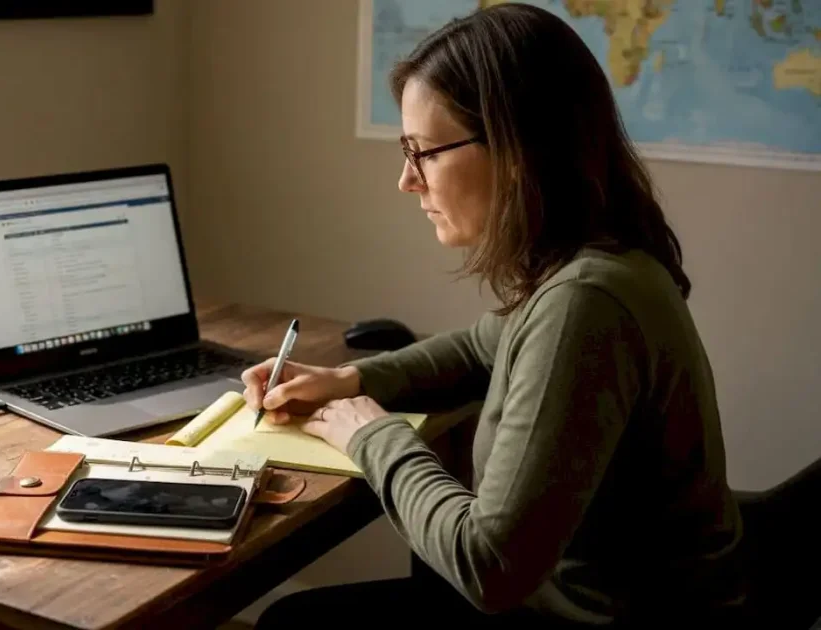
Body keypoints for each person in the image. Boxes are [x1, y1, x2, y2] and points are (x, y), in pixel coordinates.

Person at [245, 4, 747, 628]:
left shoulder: (585, 304)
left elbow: (489, 566)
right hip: (596, 596)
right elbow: (487, 342)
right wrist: (350, 381)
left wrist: (369, 432)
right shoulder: (604, 263)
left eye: (422, 151)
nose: (407, 180)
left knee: (293, 623)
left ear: (517, 151)